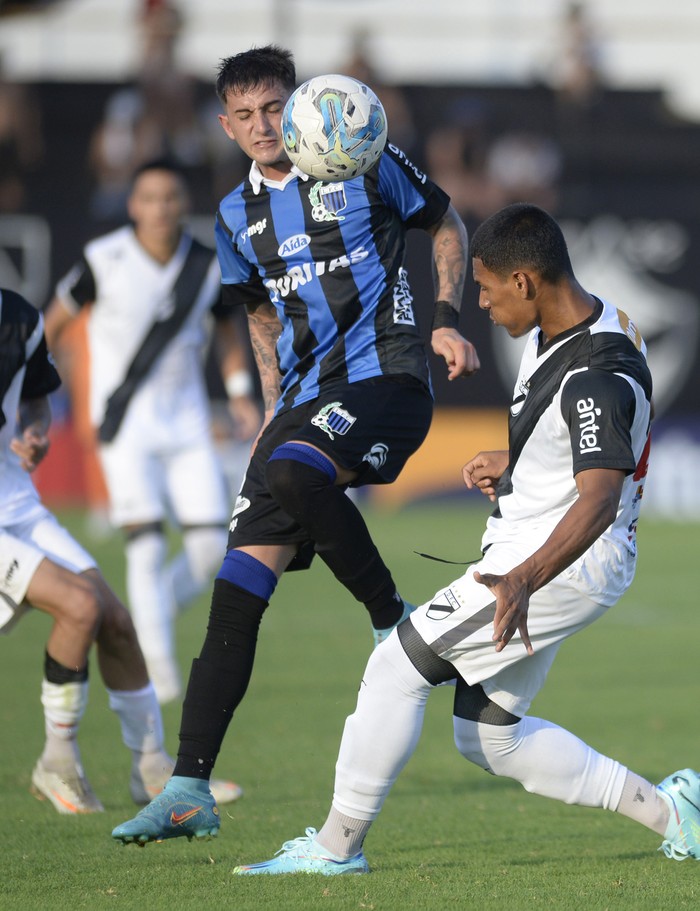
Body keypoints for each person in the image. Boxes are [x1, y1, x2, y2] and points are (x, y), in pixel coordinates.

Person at [227, 203, 699, 875]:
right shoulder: (595, 318)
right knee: (490, 736)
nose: (480, 301)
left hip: (553, 561)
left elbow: (598, 495)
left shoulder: (594, 372)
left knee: (397, 665)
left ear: (528, 282)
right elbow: (593, 440)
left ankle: (336, 848)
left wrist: (523, 578)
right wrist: (521, 459)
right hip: (557, 550)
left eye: (487, 287)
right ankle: (674, 813)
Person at [111, 44, 480, 846]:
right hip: (305, 406)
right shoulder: (233, 217)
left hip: (388, 379)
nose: (261, 125)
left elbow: (445, 220)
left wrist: (447, 316)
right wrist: (272, 410)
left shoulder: (360, 158)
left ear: (300, 101)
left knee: (293, 467)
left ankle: (395, 622)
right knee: (237, 584)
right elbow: (263, 319)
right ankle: (187, 787)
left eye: (273, 107)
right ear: (225, 124)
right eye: (243, 114)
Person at [0, 287, 241, 815]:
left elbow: (36, 393)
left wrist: (35, 429)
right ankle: (57, 761)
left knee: (114, 618)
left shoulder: (17, 316)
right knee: (79, 606)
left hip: (15, 501)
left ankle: (152, 770)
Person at [44, 159, 260, 705]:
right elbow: (54, 323)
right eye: (149, 198)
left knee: (213, 547)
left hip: (187, 423)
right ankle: (160, 672)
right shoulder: (103, 259)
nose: (160, 208)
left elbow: (227, 333)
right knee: (143, 546)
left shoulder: (208, 267)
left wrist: (238, 392)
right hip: (124, 426)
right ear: (133, 205)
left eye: (170, 198)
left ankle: (150, 612)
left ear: (182, 204)